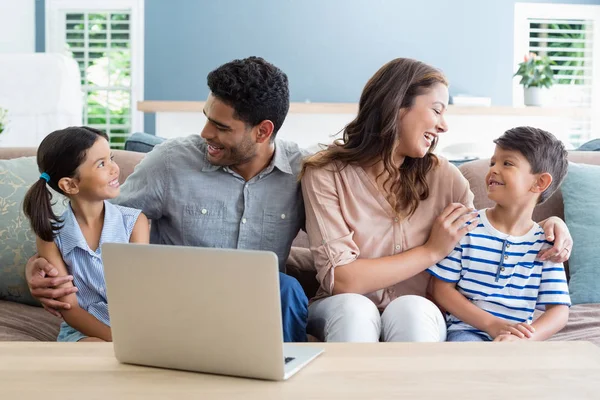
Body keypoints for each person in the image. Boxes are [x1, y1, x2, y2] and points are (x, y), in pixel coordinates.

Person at [25, 57, 309, 342]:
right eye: (207, 118)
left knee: (286, 287)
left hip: (258, 308)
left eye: (221, 127)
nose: (205, 133)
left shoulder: (304, 173)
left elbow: (341, 247)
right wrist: (39, 266)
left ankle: (284, 373)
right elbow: (99, 221)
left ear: (263, 131)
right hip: (180, 307)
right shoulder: (171, 162)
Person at [300, 58, 573, 343]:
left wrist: (548, 224)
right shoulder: (325, 173)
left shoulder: (445, 177)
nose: (443, 126)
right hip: (343, 306)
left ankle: (415, 388)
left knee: (412, 308)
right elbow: (344, 280)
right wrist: (432, 251)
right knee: (355, 308)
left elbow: (490, 229)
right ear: (396, 105)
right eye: (437, 110)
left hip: (418, 309)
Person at [428, 127, 571, 342]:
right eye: (492, 162)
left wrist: (525, 339)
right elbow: (441, 289)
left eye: (507, 163)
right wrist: (491, 324)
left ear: (539, 182)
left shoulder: (547, 243)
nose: (493, 169)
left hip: (516, 341)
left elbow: (559, 311)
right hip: (467, 332)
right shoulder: (468, 226)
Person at [22, 127, 149, 342]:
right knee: (93, 350)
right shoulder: (51, 236)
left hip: (134, 323)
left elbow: (140, 289)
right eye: (101, 164)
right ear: (70, 184)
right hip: (85, 331)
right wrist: (115, 340)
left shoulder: (135, 223)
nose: (114, 168)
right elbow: (69, 307)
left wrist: (133, 336)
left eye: (111, 158)